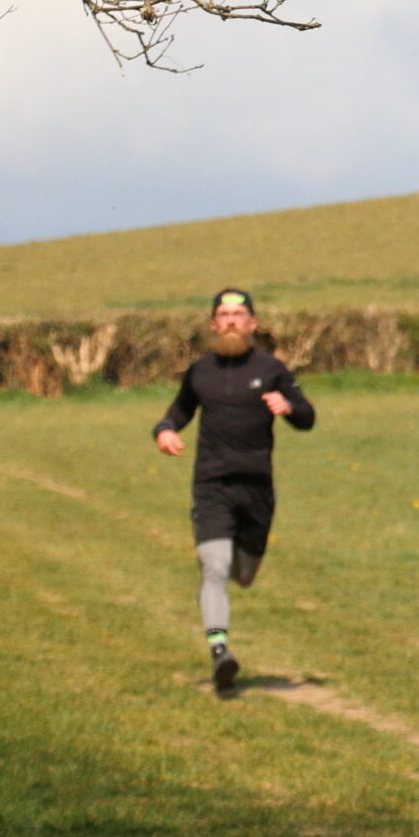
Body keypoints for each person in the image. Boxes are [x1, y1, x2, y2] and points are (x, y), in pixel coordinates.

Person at [153, 290, 316, 692]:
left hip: (257, 489)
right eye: (223, 314)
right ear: (213, 324)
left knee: (243, 575)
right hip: (212, 486)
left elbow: (307, 417)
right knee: (215, 567)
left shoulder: (271, 369)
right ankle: (220, 651)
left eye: (238, 314)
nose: (230, 320)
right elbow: (178, 411)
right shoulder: (201, 371)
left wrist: (289, 407)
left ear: (252, 323)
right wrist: (165, 430)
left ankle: (224, 627)